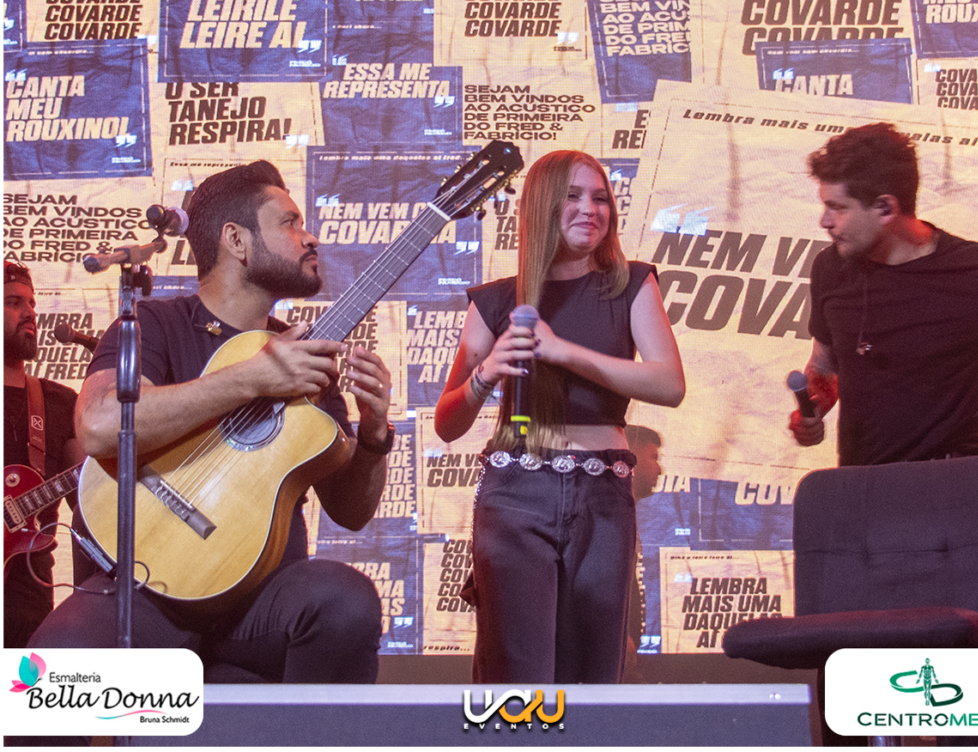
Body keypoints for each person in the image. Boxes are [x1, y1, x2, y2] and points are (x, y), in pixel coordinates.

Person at [29, 161, 392, 685]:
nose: (309, 237)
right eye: (289, 222)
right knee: (49, 671)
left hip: (258, 599)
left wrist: (375, 436)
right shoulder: (152, 322)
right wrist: (251, 379)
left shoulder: (305, 359)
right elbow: (100, 425)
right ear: (236, 240)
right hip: (143, 589)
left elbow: (350, 511)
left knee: (345, 600)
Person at [435, 150, 685, 683]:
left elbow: (669, 385)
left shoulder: (632, 284)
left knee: (594, 671)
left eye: (600, 198)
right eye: (572, 196)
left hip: (603, 494)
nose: (590, 209)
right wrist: (486, 374)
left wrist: (563, 352)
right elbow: (447, 423)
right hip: (516, 493)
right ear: (542, 206)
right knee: (516, 674)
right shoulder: (496, 301)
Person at [789, 123, 978, 465]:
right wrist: (812, 408)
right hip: (863, 483)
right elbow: (825, 365)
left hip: (948, 481)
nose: (824, 221)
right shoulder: (831, 268)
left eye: (838, 207)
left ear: (886, 208)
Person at [3, 261, 86, 648]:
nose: (30, 312)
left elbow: (88, 496)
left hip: (30, 604)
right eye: (13, 302)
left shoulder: (58, 401)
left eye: (32, 303)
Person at [622, 424, 663, 683]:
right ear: (631, 461)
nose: (659, 469)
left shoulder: (625, 510)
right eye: (654, 457)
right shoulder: (608, 513)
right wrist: (618, 636)